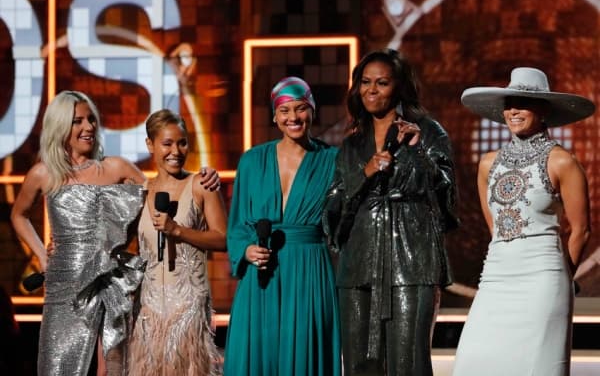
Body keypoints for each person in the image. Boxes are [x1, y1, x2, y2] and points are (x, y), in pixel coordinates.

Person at [322, 49, 459, 376]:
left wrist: (418, 152)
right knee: (358, 362)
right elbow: (332, 208)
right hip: (359, 262)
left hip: (412, 258)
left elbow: (448, 194)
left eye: (381, 82)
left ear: (398, 87)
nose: (371, 90)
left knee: (408, 361)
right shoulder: (352, 145)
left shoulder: (427, 131)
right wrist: (364, 174)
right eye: (365, 82)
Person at [452, 67, 594, 375]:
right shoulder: (488, 163)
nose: (514, 110)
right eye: (509, 103)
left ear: (544, 109)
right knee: (472, 363)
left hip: (544, 278)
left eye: (523, 102)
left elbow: (581, 230)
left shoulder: (562, 162)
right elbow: (496, 228)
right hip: (496, 276)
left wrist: (559, 277)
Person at [10, 90, 147, 376]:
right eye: (77, 121)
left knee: (109, 367)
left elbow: (158, 196)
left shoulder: (116, 167)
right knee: (59, 368)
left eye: (91, 120)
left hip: (110, 282)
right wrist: (41, 257)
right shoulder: (43, 174)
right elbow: (18, 215)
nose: (88, 128)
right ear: (60, 127)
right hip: (64, 286)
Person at [224, 76, 342, 376]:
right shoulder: (252, 160)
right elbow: (237, 224)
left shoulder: (332, 160)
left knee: (304, 354)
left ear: (312, 110)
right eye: (285, 110)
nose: (293, 117)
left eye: (300, 108)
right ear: (275, 116)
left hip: (309, 270)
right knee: (258, 354)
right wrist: (246, 249)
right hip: (260, 275)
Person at [127, 109, 227, 376]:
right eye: (167, 143)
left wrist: (177, 230)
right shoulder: (139, 192)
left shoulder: (201, 184)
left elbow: (223, 238)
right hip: (148, 310)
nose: (176, 150)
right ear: (150, 145)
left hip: (188, 305)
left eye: (182, 142)